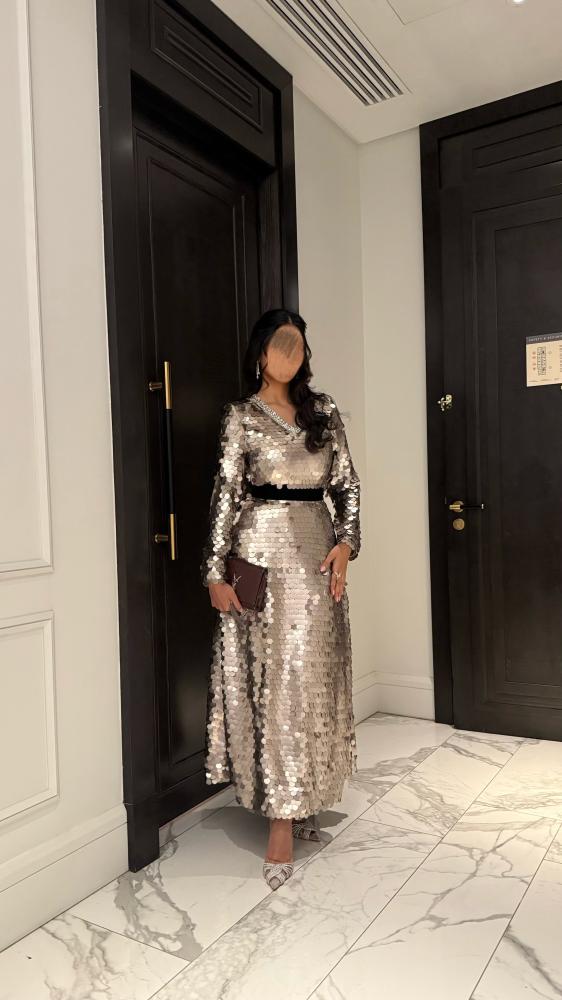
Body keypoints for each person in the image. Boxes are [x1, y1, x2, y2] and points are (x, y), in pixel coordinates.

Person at [200, 307, 361, 891]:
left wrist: (347, 543)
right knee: (274, 686)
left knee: (312, 681)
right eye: (279, 345)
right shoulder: (240, 417)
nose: (289, 356)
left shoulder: (325, 412)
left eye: (297, 346)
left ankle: (306, 794)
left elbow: (346, 485)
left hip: (316, 558)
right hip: (261, 558)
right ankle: (279, 819)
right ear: (261, 353)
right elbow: (225, 494)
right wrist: (214, 572)